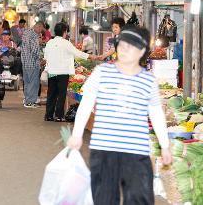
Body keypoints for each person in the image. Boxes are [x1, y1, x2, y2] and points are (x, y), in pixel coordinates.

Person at [67, 26, 172, 205]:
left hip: (136, 152)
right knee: (104, 200)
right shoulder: (102, 73)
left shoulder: (148, 80)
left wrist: (165, 145)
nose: (123, 50)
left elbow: (156, 114)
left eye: (130, 46)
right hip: (104, 149)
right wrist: (77, 134)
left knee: (139, 200)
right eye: (121, 45)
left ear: (142, 51)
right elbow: (86, 104)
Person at [44, 23, 95, 122]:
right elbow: (78, 53)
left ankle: (48, 115)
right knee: (61, 94)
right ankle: (59, 116)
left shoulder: (50, 42)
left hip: (52, 71)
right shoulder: (66, 43)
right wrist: (92, 57)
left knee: (51, 94)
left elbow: (46, 56)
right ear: (64, 32)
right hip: (63, 72)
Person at [21, 21, 44, 108]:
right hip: (33, 63)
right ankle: (30, 102)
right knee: (33, 83)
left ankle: (27, 100)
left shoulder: (26, 33)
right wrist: (41, 58)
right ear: (39, 27)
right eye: (41, 29)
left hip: (25, 62)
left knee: (27, 82)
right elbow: (35, 50)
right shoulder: (34, 35)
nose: (41, 31)